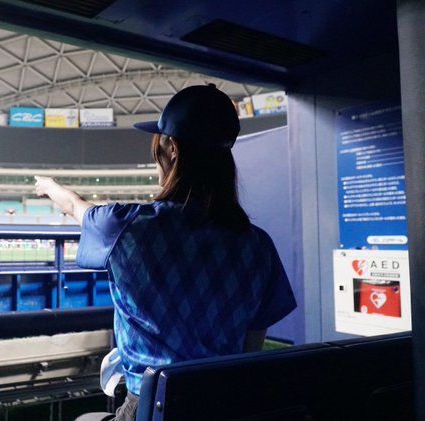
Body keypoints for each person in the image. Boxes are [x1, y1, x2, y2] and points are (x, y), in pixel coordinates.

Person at [34, 84, 297, 421]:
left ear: (172, 149)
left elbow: (75, 206)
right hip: (223, 407)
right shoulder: (258, 246)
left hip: (147, 408)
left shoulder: (123, 226)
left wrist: (49, 186)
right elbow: (250, 349)